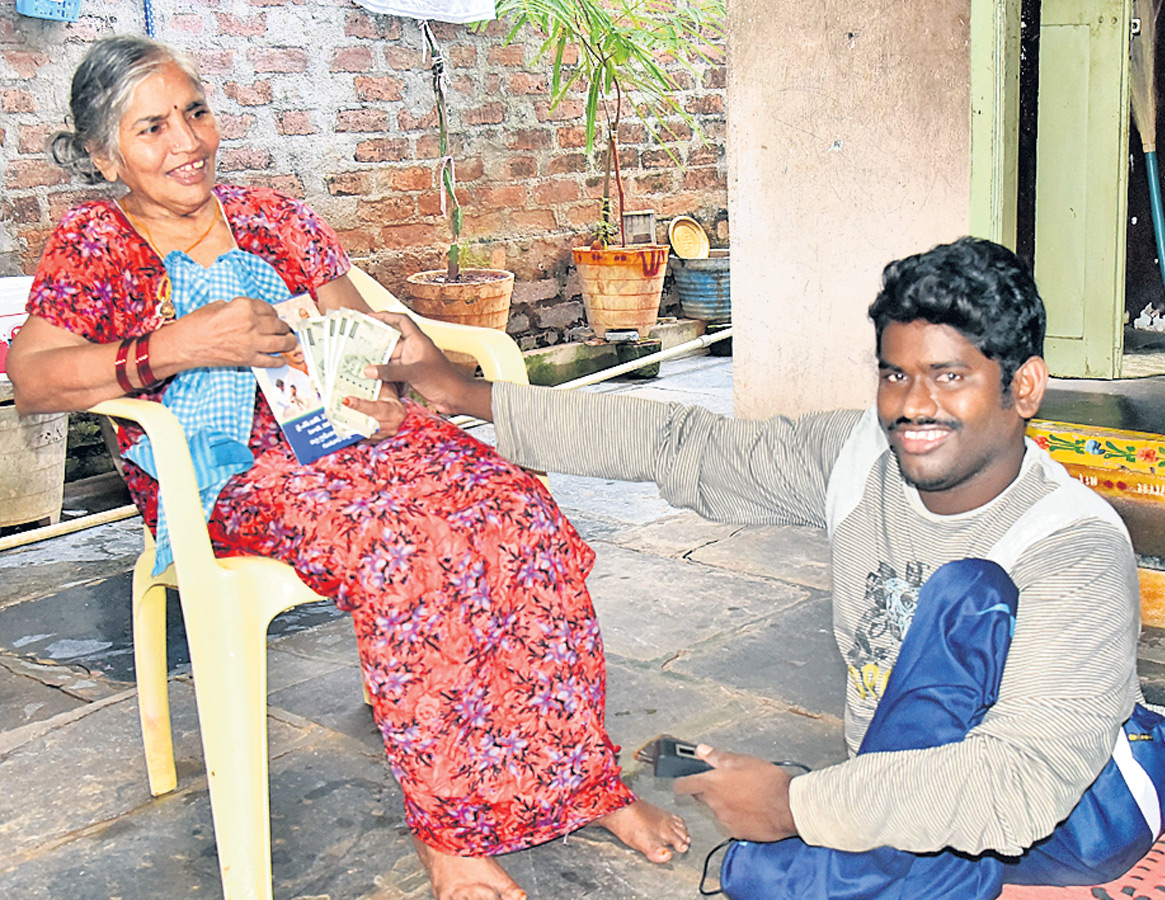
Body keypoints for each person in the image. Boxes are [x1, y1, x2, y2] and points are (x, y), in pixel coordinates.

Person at [7, 35, 689, 900]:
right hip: (232, 472)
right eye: (153, 127)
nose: (187, 141)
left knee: (518, 510)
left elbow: (363, 333)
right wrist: (180, 345)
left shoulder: (273, 217)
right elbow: (33, 381)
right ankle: (451, 834)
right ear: (106, 155)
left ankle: (581, 783)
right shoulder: (93, 243)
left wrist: (395, 353)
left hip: (347, 434)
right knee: (407, 549)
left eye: (196, 112)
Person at [367, 237, 1165, 899]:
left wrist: (795, 805)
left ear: (1023, 388)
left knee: (968, 599)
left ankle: (807, 865)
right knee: (891, 839)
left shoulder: (1072, 544)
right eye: (895, 373)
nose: (911, 405)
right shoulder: (859, 458)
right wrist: (465, 394)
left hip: (1074, 810)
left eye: (950, 377)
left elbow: (1018, 787)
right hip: (905, 778)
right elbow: (679, 445)